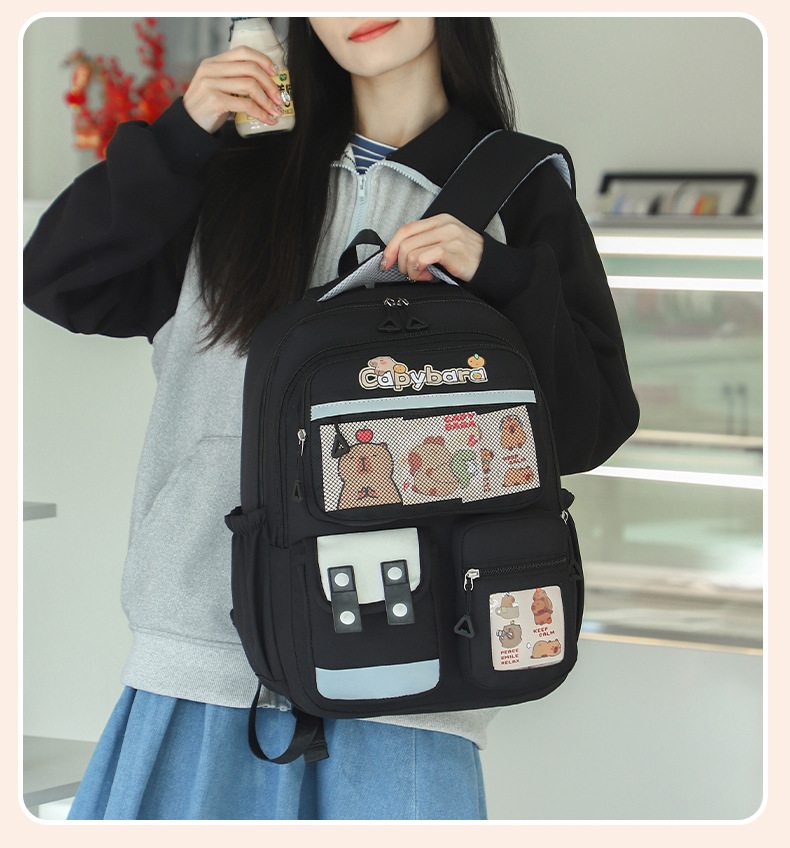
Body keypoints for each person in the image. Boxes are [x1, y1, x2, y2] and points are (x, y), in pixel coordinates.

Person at [23, 17, 639, 820]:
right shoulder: (228, 173)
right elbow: (59, 281)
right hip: (202, 661)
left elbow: (591, 426)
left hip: (414, 674)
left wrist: (499, 275)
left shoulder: (518, 189)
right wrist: (180, 135)